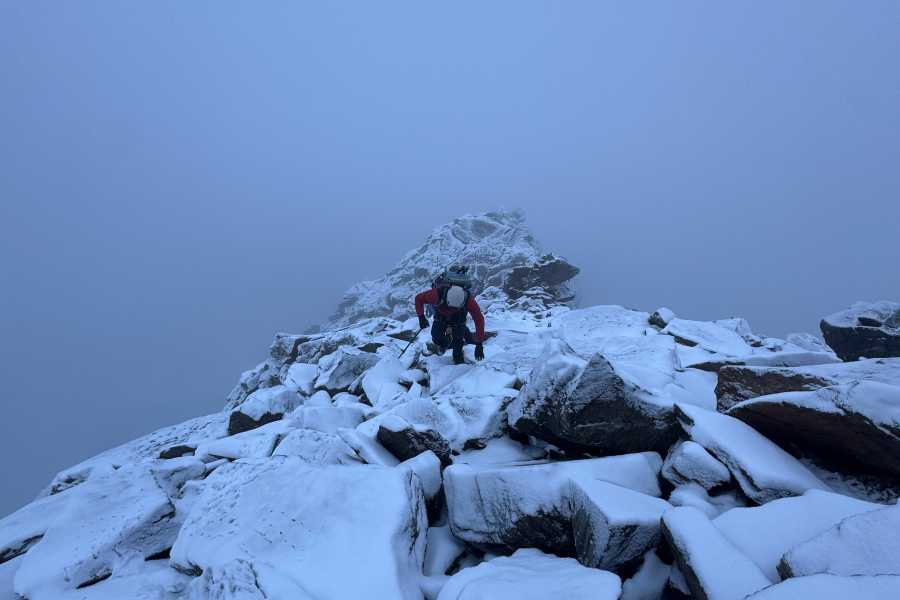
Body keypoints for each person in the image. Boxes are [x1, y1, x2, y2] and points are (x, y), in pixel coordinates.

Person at [415, 267, 485, 365]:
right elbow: (418, 299)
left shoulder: (468, 299)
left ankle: (458, 358)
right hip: (442, 316)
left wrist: (479, 344)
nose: (452, 309)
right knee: (436, 337)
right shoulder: (437, 294)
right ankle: (446, 342)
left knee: (458, 340)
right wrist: (421, 317)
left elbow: (479, 319)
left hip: (458, 317)